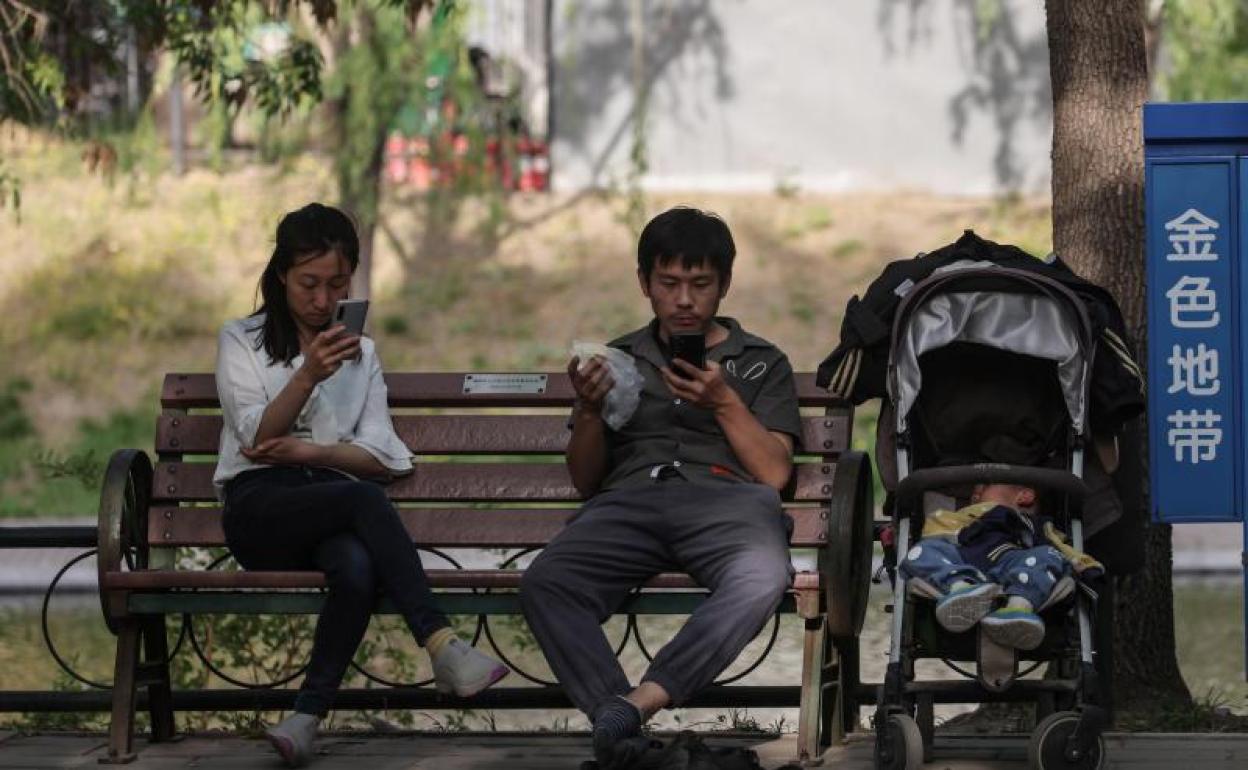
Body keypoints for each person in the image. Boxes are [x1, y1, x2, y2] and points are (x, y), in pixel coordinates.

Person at [213, 203, 508, 768]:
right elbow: (255, 438)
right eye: (309, 284)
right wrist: (306, 377)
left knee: (356, 566)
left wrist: (313, 451)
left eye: (336, 285)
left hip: (330, 501)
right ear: (281, 275)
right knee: (358, 498)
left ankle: (304, 719)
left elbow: (383, 454)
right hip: (259, 508)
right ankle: (442, 644)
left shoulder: (362, 353)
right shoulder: (241, 340)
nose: (323, 301)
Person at [519, 207, 803, 767]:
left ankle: (637, 703)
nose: (684, 300)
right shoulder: (616, 359)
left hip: (728, 501)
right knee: (547, 582)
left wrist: (723, 402)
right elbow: (584, 480)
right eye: (669, 284)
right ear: (645, 283)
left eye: (700, 285)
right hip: (629, 500)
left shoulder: (760, 363)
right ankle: (619, 728)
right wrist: (589, 410)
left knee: (764, 575)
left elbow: (774, 473)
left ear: (724, 284)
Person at [898, 482, 1103, 651]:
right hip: (963, 561)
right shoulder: (956, 516)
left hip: (1015, 561)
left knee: (1049, 555)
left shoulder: (1038, 525)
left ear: (1025, 495)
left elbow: (1063, 549)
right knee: (921, 552)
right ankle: (961, 589)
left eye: (986, 485)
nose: (975, 490)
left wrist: (1086, 566)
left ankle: (1018, 608)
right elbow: (935, 538)